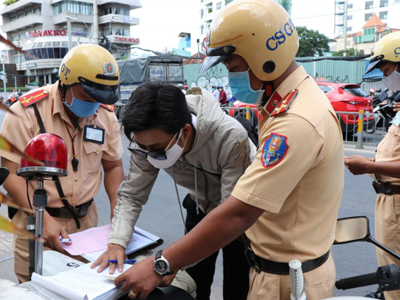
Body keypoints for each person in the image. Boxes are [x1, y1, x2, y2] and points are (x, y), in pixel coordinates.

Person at [102, 1, 344, 299]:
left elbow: (235, 215)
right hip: (270, 262)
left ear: (263, 58)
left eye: (233, 66)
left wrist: (162, 264)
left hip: (284, 276)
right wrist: (118, 241)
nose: (231, 76)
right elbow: (133, 193)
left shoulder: (294, 122)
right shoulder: (283, 106)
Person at [92, 82, 255, 300]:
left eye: (157, 149)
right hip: (199, 204)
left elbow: (229, 218)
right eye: (143, 147)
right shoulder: (149, 143)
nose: (149, 155)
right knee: (194, 282)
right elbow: (131, 195)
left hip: (239, 214)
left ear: (185, 132)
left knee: (238, 283)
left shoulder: (230, 138)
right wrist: (116, 243)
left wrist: (168, 261)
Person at [0, 44, 124, 283]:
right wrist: (42, 218)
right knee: (38, 289)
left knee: (85, 288)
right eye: (88, 96)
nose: (93, 104)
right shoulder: (26, 113)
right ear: (66, 81)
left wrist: (118, 213)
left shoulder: (106, 115)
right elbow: (9, 173)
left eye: (101, 98)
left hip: (88, 225)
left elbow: (113, 166)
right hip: (36, 222)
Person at [344, 31, 400, 300]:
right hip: (388, 201)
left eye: (387, 70)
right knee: (390, 275)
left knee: (397, 277)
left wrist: (368, 165)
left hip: (398, 202)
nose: (386, 77)